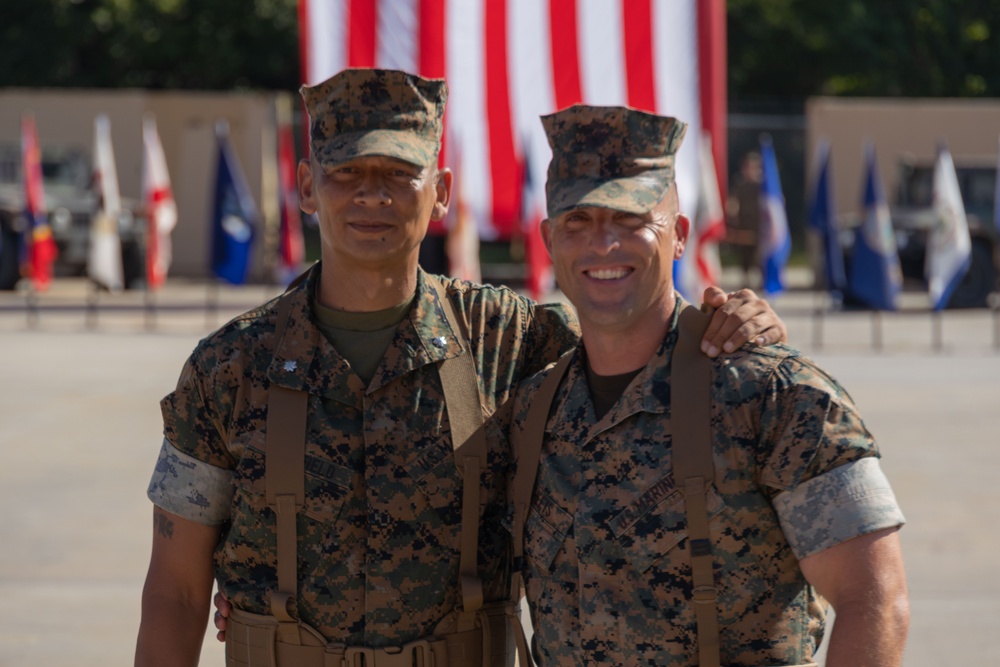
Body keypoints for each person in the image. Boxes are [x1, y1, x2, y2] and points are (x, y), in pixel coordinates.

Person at [136, 68, 787, 667]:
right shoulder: (229, 367)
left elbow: (641, 344)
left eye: (399, 173)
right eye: (347, 172)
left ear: (442, 192)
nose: (372, 194)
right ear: (307, 186)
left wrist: (737, 320)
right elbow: (177, 590)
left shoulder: (514, 339)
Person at [506, 105, 909, 666]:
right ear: (549, 238)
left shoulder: (773, 396)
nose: (603, 244)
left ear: (679, 236)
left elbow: (876, 599)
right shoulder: (533, 411)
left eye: (631, 219)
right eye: (579, 220)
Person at [726, 151, 764, 287]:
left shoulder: (762, 186)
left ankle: (762, 279)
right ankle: (746, 280)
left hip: (758, 225)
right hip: (744, 224)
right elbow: (733, 200)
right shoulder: (740, 184)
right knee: (745, 255)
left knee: (760, 254)